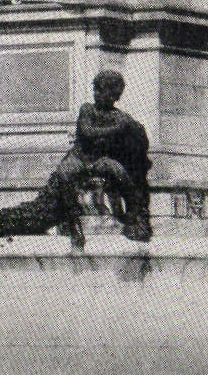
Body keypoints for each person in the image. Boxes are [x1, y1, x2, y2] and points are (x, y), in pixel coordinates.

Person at [52, 70, 151, 245]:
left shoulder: (120, 117)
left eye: (102, 90)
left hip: (99, 160)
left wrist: (132, 129)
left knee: (120, 172)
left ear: (114, 95)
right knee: (64, 173)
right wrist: (116, 129)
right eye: (96, 89)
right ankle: (72, 222)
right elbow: (86, 131)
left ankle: (132, 214)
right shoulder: (87, 109)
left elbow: (141, 137)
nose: (97, 94)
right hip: (80, 156)